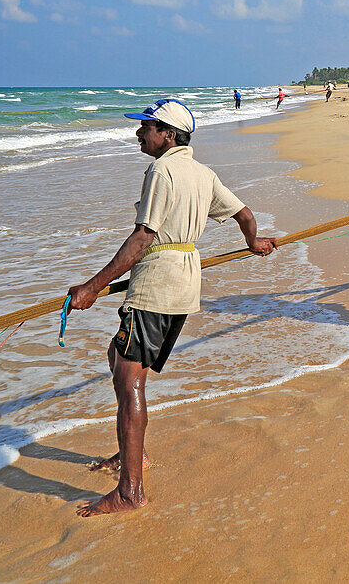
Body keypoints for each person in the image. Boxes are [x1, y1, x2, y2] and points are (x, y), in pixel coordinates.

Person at [67, 99, 276, 517]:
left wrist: (92, 286)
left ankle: (130, 490)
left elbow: (143, 238)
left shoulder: (161, 170)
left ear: (168, 134)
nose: (139, 133)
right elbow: (244, 213)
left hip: (157, 285)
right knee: (118, 356)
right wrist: (254, 242)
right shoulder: (202, 172)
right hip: (184, 281)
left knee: (131, 384)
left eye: (147, 127)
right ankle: (131, 455)